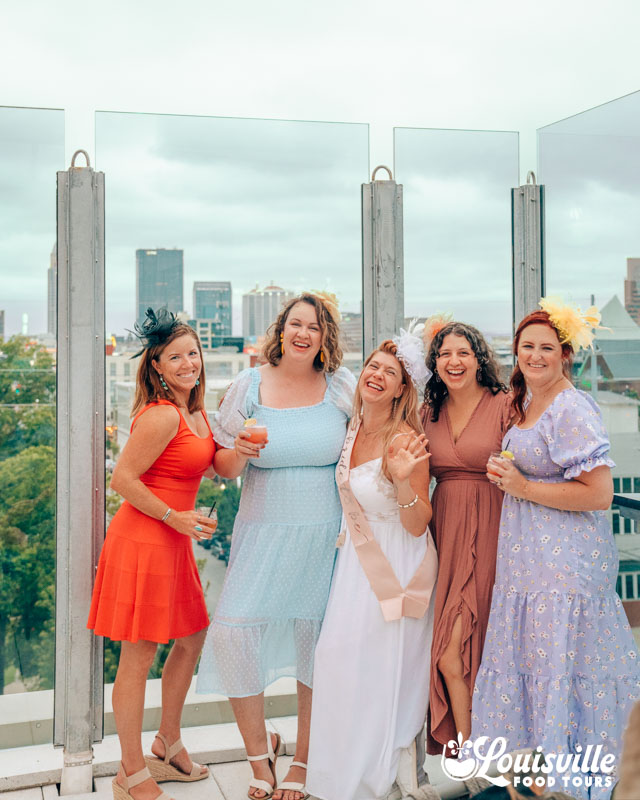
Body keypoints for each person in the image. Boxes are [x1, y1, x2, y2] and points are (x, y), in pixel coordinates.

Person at [472, 301, 640, 800]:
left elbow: (599, 493)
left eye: (547, 348)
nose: (536, 355)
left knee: (566, 668)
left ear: (565, 355)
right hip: (529, 566)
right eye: (528, 347)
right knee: (542, 666)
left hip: (565, 568)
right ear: (516, 352)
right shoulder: (528, 402)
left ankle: (578, 784)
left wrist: (522, 486)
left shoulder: (571, 405)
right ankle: (542, 784)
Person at [196, 292, 356, 800]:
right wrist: (240, 452)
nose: (303, 333)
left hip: (325, 536)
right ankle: (258, 756)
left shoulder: (341, 388)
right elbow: (221, 466)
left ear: (326, 337)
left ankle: (304, 761)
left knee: (316, 646)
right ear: (281, 330)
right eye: (295, 324)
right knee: (231, 634)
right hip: (262, 532)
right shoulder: (249, 384)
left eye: (314, 326)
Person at [88, 308, 217, 800]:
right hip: (145, 541)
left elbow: (208, 465)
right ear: (157, 366)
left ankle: (167, 741)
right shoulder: (162, 414)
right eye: (174, 357)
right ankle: (130, 771)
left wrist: (240, 452)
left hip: (175, 542)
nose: (188, 363)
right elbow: (122, 480)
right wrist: (175, 519)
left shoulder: (195, 411)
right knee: (138, 657)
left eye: (193, 353)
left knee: (191, 639)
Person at [307, 330, 438, 800]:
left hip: (396, 563)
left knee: (379, 671)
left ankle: (376, 775)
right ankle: (338, 775)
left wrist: (403, 482)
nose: (378, 376)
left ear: (404, 388)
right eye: (374, 368)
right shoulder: (353, 427)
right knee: (338, 660)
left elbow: (419, 522)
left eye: (391, 372)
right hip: (355, 565)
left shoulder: (406, 439)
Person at [419, 318, 511, 755]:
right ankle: (473, 750)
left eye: (463, 353)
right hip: (446, 534)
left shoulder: (507, 405)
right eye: (443, 354)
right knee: (448, 654)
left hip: (497, 530)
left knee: (477, 646)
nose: (453, 362)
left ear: (479, 359)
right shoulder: (427, 413)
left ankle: (481, 750)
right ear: (434, 363)